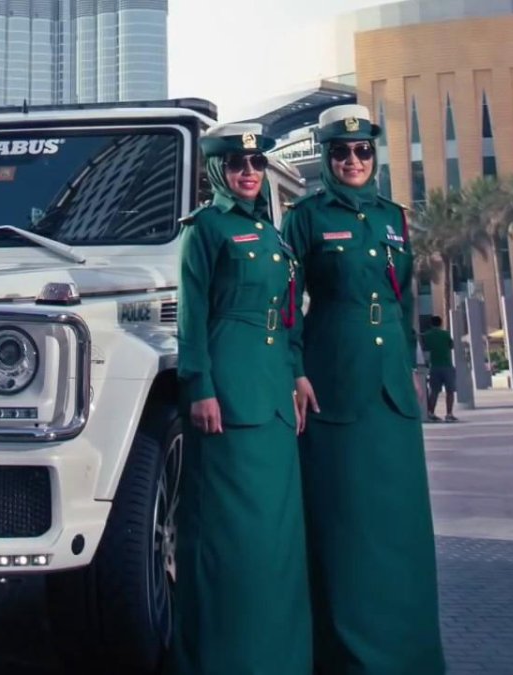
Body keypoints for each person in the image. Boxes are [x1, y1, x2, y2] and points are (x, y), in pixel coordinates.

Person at [285, 104, 446, 674]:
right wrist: (295, 370)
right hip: (334, 384)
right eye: (340, 152)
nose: (352, 161)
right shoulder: (306, 218)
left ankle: (408, 655)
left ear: (373, 155)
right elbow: (287, 304)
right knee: (345, 524)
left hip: (391, 393)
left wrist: (409, 368)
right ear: (327, 157)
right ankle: (344, 657)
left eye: (361, 151)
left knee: (399, 526)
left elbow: (402, 303)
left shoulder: (395, 218)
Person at [168, 122, 311, 675]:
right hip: (228, 394)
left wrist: (296, 374)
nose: (248, 173)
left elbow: (287, 313)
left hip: (273, 393)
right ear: (217, 170)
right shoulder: (205, 228)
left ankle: (278, 657)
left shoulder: (271, 233)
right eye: (236, 165)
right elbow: (191, 315)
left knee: (275, 535)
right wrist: (199, 387)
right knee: (232, 535)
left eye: (255, 164)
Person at [421, 315, 458, 423]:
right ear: (440, 323)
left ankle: (431, 413)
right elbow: (451, 345)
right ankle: (449, 414)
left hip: (434, 366)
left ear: (431, 324)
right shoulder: (445, 334)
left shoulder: (426, 335)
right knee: (450, 391)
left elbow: (425, 347)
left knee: (434, 391)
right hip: (447, 365)